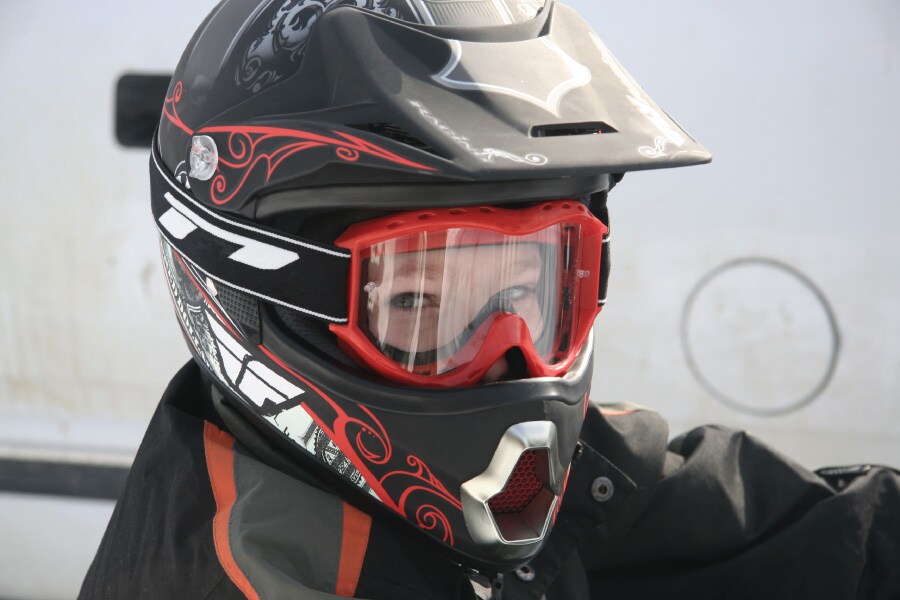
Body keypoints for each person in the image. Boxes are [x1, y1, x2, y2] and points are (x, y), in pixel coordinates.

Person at [80, 1, 900, 598]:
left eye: (529, 287)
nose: (507, 353)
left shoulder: (559, 474)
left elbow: (829, 537)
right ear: (259, 290)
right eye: (416, 303)